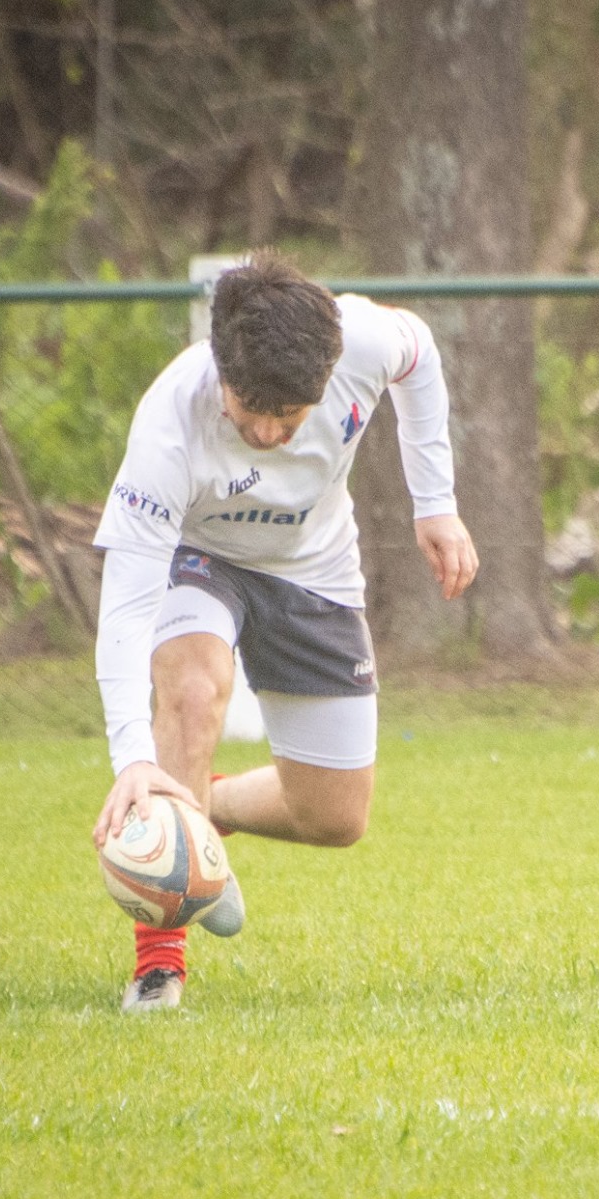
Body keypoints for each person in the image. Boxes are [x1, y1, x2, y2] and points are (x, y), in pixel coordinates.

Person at [90, 253, 478, 1012]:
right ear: (220, 365)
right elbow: (127, 604)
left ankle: (202, 807)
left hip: (315, 567)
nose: (267, 431)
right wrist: (133, 758)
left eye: (289, 417)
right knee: (194, 690)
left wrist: (435, 503)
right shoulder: (170, 425)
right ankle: (159, 965)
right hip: (201, 556)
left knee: (334, 818)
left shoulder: (364, 341)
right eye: (248, 410)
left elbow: (422, 354)